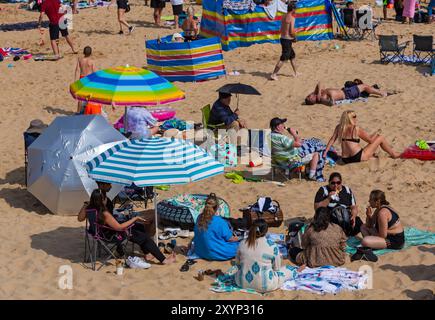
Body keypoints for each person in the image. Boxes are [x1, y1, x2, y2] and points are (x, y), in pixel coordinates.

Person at [78, 189, 176, 266]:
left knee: (139, 227)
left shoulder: (89, 209)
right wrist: (135, 218)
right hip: (112, 236)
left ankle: (147, 253)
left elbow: (79, 219)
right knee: (145, 237)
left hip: (99, 233)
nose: (106, 200)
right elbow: (120, 228)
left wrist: (85, 205)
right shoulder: (104, 213)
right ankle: (164, 260)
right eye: (104, 198)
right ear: (101, 200)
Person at [235, 219, 294, 293]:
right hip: (265, 285)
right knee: (290, 269)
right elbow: (276, 268)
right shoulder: (272, 246)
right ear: (266, 231)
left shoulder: (242, 243)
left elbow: (237, 263)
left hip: (241, 283)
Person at [323, 110, 401, 164]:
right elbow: (370, 141)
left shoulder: (339, 127)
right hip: (357, 157)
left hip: (345, 159)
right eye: (354, 116)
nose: (356, 118)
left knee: (372, 145)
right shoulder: (356, 128)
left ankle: (380, 155)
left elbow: (332, 139)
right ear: (350, 118)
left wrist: (325, 152)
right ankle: (393, 154)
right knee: (380, 138)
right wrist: (376, 134)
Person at [193, 193, 240, 261]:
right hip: (215, 253)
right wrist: (238, 238)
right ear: (217, 208)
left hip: (200, 251)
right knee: (240, 245)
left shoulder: (199, 217)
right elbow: (230, 239)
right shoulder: (220, 221)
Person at [270, 2, 298, 80]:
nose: (296, 10)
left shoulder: (283, 16)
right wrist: (295, 37)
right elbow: (291, 31)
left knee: (292, 56)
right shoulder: (292, 18)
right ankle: (274, 74)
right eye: (295, 9)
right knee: (283, 58)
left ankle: (296, 72)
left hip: (283, 38)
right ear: (293, 9)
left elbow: (282, 28)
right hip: (287, 40)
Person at [304, 81, 387, 106]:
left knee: (358, 84)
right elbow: (331, 103)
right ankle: (381, 93)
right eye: (309, 97)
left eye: (308, 95)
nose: (310, 95)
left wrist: (317, 92)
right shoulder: (321, 99)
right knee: (364, 86)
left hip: (345, 90)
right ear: (312, 100)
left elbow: (319, 83)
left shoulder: (317, 94)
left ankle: (375, 89)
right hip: (347, 94)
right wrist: (330, 95)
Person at [75, 46, 97, 113]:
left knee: (80, 98)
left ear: (83, 52)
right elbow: (94, 72)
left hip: (82, 78)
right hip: (89, 79)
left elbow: (77, 70)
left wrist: (75, 80)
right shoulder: (91, 61)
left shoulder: (80, 60)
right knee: (89, 96)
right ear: (91, 53)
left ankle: (78, 112)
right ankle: (87, 111)